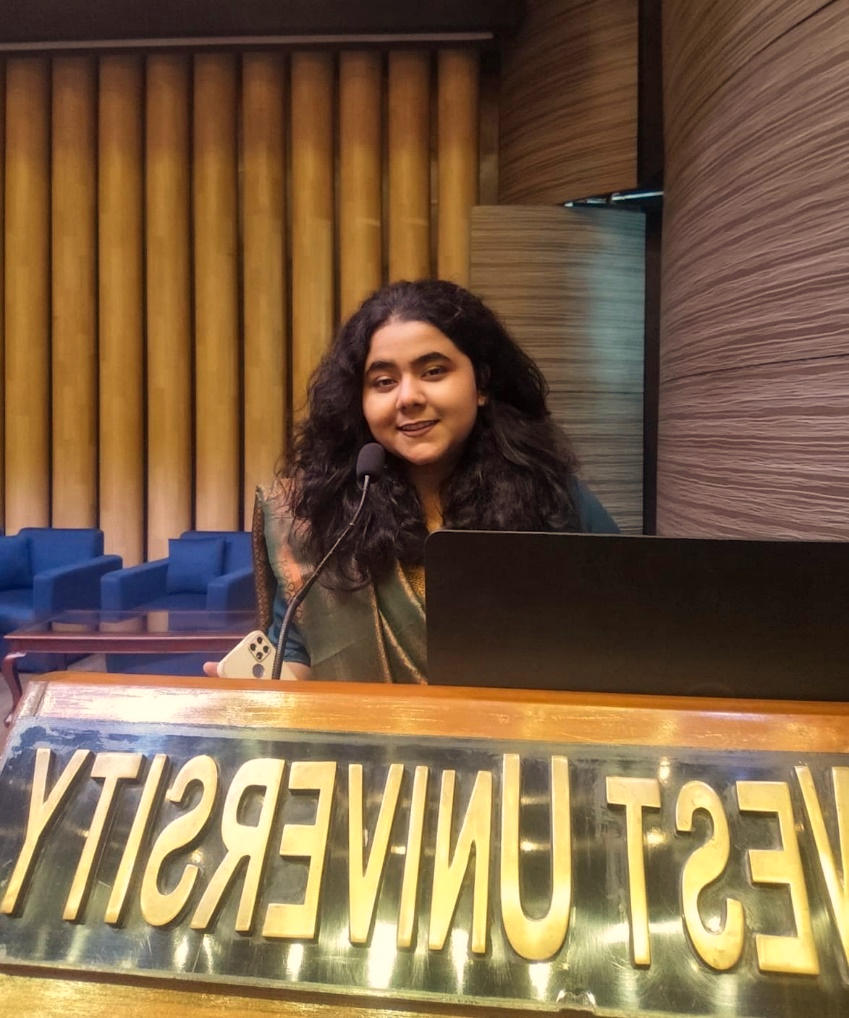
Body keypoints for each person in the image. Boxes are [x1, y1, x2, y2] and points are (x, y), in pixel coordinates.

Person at [212, 278, 619, 684]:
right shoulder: (319, 515)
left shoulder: (552, 497)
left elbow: (623, 631)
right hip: (369, 745)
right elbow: (299, 651)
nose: (407, 397)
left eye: (434, 371)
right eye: (384, 381)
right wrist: (264, 686)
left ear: (481, 384)